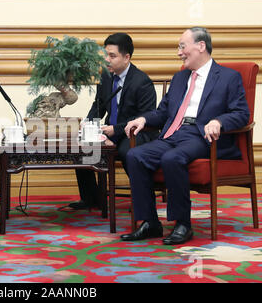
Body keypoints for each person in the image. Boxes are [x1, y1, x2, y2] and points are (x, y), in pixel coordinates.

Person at [122, 27, 250, 245]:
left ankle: (183, 224)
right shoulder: (180, 77)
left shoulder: (228, 77)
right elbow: (163, 112)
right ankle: (150, 223)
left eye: (182, 46)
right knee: (135, 155)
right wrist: (144, 120)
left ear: (201, 46)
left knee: (172, 158)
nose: (179, 52)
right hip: (174, 133)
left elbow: (241, 114)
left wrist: (218, 121)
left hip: (203, 137)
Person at [68, 32, 158, 210]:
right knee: (81, 148)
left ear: (126, 57)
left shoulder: (142, 82)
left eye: (112, 56)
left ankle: (142, 199)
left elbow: (145, 117)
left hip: (136, 132)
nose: (107, 60)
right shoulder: (106, 77)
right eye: (105, 55)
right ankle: (91, 199)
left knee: (127, 151)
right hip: (111, 129)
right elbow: (99, 106)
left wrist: (115, 130)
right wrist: (88, 123)